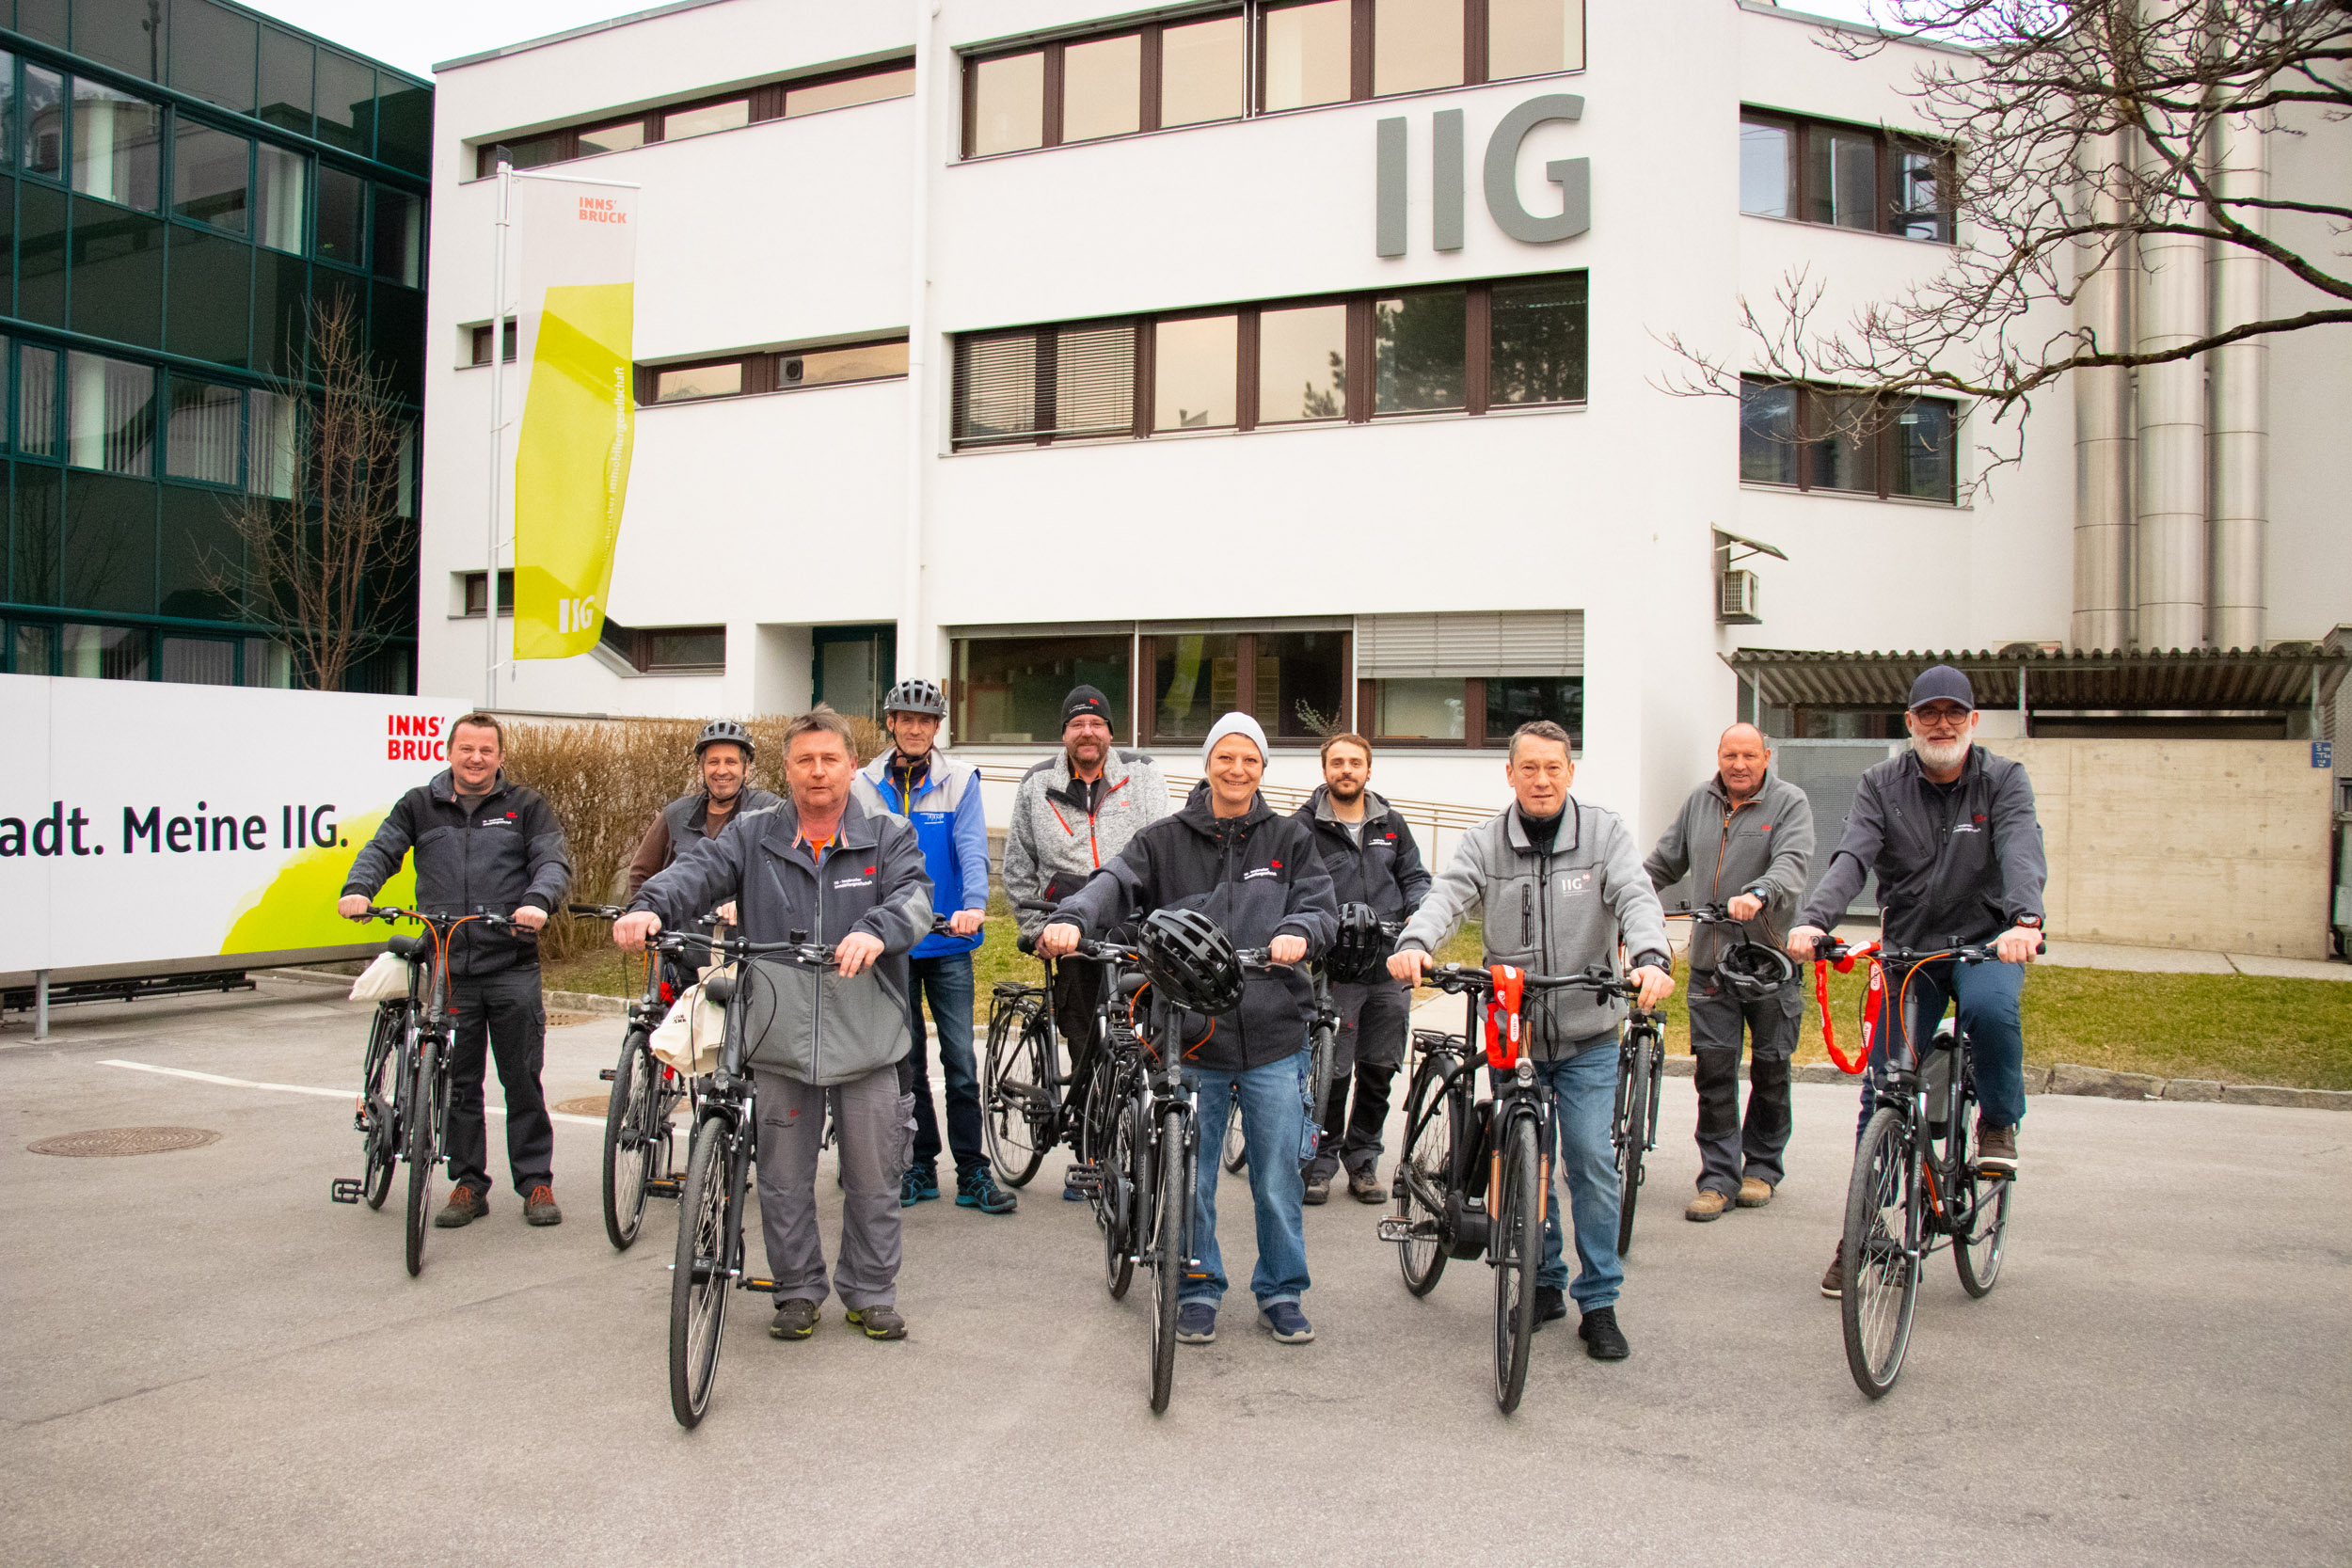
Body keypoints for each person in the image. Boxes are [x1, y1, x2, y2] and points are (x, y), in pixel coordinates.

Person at [615, 705, 934, 1342]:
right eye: (805, 760)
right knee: (785, 1179)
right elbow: (693, 873)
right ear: (786, 769)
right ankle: (796, 1289)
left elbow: (915, 897)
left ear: (851, 766)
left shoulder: (888, 831)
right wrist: (648, 906)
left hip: (867, 1036)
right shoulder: (752, 832)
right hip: (779, 1036)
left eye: (831, 759)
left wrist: (876, 931)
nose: (819, 771)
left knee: (876, 1177)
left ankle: (871, 1291)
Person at [1039, 713, 1337, 1348]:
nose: (1236, 769)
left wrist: (1301, 932)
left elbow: (1319, 905)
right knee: (1190, 1178)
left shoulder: (1290, 837)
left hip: (1273, 1035)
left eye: (1249, 760)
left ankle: (1282, 1290)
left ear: (1262, 768)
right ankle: (1197, 1286)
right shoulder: (1163, 839)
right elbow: (1112, 884)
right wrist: (1070, 918)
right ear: (1207, 763)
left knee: (1278, 1179)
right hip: (1190, 1034)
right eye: (1225, 757)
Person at [1389, 721, 1673, 1362]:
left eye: (1554, 767)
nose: (1542, 779)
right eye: (1529, 768)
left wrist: (1651, 954)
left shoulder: (1604, 833)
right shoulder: (1486, 842)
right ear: (1510, 774)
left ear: (1570, 772)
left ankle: (1598, 1300)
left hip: (1588, 1030)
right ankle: (1543, 1280)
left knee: (1593, 1167)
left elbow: (1636, 897)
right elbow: (1447, 898)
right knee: (1526, 1161)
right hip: (1513, 1031)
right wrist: (1414, 943)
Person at [1787, 665, 2046, 1301]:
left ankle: (1997, 1124)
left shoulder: (2003, 779)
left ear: (1972, 721)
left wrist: (2025, 919)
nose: (1942, 723)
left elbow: (2020, 848)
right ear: (1910, 723)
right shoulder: (1882, 783)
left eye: (1953, 712)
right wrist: (1815, 919)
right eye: (1928, 713)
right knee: (1883, 1088)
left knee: (1988, 1012)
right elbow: (1852, 856)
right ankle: (1865, 1231)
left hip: (1987, 942)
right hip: (1911, 951)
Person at [338, 712, 573, 1229]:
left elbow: (552, 862)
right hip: (448, 966)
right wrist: (359, 888)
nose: (476, 758)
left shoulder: (525, 807)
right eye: (466, 748)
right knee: (459, 1082)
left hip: (511, 961)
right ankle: (468, 1184)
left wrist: (537, 900)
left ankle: (536, 1182)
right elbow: (383, 849)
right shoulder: (420, 805)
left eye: (486, 750)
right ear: (449, 752)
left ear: (500, 756)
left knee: (522, 1080)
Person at [1002, 683, 1169, 1198]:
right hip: (1064, 926)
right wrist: (1036, 932)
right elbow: (1017, 866)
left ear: (1111, 732)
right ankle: (1092, 1155)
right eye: (1078, 724)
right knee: (1085, 1039)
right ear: (1065, 733)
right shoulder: (1036, 784)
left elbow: (1166, 852)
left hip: (1129, 922)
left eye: (1097, 723)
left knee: (1137, 1040)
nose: (1088, 732)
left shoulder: (1142, 776)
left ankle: (1136, 1141)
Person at [851, 678, 1012, 1215]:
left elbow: (972, 851)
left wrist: (972, 905)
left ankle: (972, 1171)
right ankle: (920, 1165)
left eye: (926, 721)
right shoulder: (864, 784)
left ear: (936, 728)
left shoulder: (959, 779)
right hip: (893, 943)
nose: (916, 728)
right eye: (905, 719)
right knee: (907, 1061)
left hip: (947, 941)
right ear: (891, 723)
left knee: (960, 1059)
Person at [1644, 722, 1815, 1222]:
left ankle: (1762, 1168)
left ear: (1766, 755)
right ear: (1718, 756)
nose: (1739, 764)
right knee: (1714, 1073)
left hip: (1769, 962)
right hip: (1709, 964)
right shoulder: (1700, 800)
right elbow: (1663, 863)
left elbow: (1792, 863)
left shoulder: (1789, 803)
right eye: (1729, 755)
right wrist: (1624, 894)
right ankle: (1717, 1178)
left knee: (1770, 1068)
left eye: (1748, 755)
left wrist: (1758, 893)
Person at [1293, 733, 1429, 1206]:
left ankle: (1363, 1159)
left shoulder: (1392, 823)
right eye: (1337, 762)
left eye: (1355, 762)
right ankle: (1321, 1162)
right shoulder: (1304, 827)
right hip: (1336, 966)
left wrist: (1419, 911)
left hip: (1389, 962)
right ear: (1325, 770)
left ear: (1368, 770)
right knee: (1333, 1068)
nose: (1346, 770)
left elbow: (1415, 876)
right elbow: (1294, 885)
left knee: (1380, 1065)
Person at [624, 719, 782, 900]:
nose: (721, 771)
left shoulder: (767, 812)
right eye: (713, 762)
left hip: (741, 928)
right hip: (682, 928)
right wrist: (647, 915)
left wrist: (749, 909)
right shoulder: (676, 815)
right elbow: (641, 874)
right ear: (701, 768)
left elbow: (785, 878)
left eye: (731, 762)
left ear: (746, 768)